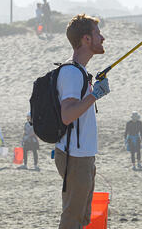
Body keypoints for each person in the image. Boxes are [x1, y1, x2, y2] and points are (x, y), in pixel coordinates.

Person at [54, 14, 110, 228]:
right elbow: (67, 115)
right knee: (72, 218)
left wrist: (93, 92)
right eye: (97, 34)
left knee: (82, 218)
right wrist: (95, 94)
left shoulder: (80, 72)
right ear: (86, 39)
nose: (102, 38)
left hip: (82, 156)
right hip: (74, 157)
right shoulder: (71, 73)